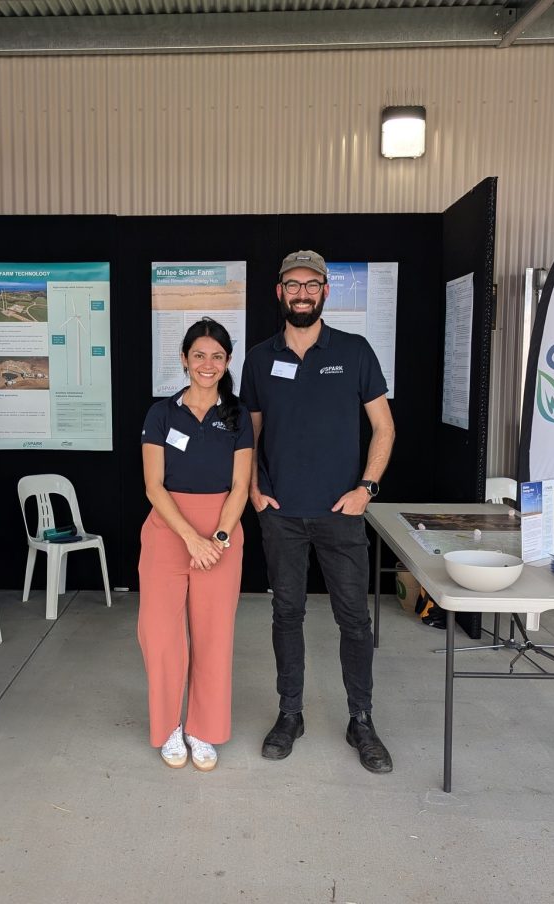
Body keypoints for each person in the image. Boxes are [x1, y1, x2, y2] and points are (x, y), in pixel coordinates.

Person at [240, 250, 396, 774]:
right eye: (293, 285)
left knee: (354, 619)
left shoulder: (353, 351)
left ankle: (362, 719)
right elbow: (251, 433)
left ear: (325, 292)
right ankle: (290, 714)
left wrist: (366, 488)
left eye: (312, 285)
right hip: (281, 514)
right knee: (287, 615)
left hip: (340, 514)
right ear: (278, 292)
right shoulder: (260, 357)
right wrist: (255, 490)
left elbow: (384, 427)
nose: (302, 293)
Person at [138, 318, 252, 772]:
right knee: (162, 637)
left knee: (214, 637)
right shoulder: (161, 414)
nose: (208, 364)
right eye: (199, 355)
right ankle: (168, 725)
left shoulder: (238, 416)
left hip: (221, 537)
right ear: (184, 359)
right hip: (169, 534)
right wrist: (191, 539)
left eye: (218, 356)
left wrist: (218, 539)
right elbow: (153, 485)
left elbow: (241, 485)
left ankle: (203, 728)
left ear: (227, 364)